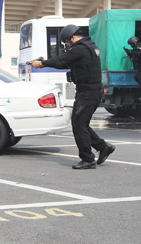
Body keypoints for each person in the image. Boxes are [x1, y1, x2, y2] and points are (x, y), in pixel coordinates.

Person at [30, 24, 115, 169]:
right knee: (79, 122)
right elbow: (65, 62)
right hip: (88, 92)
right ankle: (103, 147)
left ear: (72, 38)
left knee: (79, 124)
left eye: (67, 42)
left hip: (88, 93)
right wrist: (44, 61)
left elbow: (61, 60)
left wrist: (42, 64)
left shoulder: (80, 48)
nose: (67, 45)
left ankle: (88, 159)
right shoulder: (88, 46)